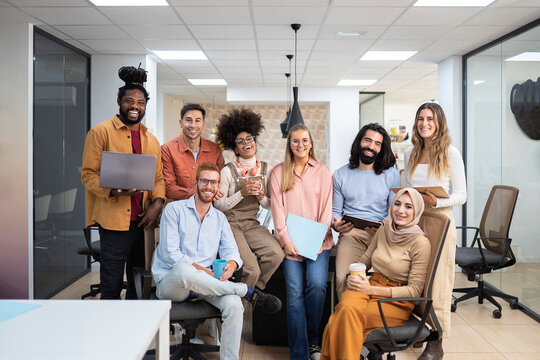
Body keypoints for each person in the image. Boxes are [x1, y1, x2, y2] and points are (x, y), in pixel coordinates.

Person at [152, 162, 282, 360]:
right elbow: (172, 254)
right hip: (173, 283)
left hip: (205, 285)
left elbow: (233, 253)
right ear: (196, 183)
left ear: (219, 187)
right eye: (204, 181)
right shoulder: (174, 210)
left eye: (214, 182)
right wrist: (206, 273)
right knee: (183, 270)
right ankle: (245, 291)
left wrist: (231, 265)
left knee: (235, 306)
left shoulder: (220, 218)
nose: (209, 186)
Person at [81, 65, 165, 300]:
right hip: (114, 222)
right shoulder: (100, 132)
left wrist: (157, 204)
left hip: (144, 221)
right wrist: (113, 190)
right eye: (129, 101)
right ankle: (109, 333)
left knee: (140, 285)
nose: (135, 106)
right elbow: (87, 175)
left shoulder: (151, 139)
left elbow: (158, 178)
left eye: (140, 102)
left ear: (145, 105)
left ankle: (135, 331)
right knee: (112, 283)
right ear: (119, 101)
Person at [321, 188, 431, 360]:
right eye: (398, 204)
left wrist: (370, 290)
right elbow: (366, 260)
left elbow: (415, 290)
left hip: (395, 299)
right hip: (370, 284)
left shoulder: (421, 243)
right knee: (343, 313)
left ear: (417, 211)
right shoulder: (384, 230)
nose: (401, 210)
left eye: (409, 207)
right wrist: (353, 273)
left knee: (340, 320)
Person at [404, 102, 466, 360]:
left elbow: (462, 195)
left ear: (439, 122)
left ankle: (436, 341)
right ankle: (419, 330)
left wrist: (436, 201)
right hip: (415, 221)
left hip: (440, 220)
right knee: (416, 278)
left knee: (438, 283)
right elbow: (406, 188)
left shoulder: (451, 153)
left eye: (430, 118)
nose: (424, 123)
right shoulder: (410, 151)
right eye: (420, 118)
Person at [269, 124, 334, 360]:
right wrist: (285, 241)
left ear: (311, 143)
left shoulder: (323, 172)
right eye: (295, 141)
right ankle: (299, 354)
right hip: (290, 246)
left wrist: (316, 239)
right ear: (289, 144)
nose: (301, 145)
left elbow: (327, 209)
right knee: (295, 294)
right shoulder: (278, 173)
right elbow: (277, 211)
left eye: (305, 140)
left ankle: (314, 341)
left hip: (319, 242)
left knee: (317, 286)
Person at [213, 108, 284, 290]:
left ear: (255, 142)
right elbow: (219, 206)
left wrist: (261, 196)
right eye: (240, 141)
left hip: (252, 223)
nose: (246, 143)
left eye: (250, 138)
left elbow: (270, 206)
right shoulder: (227, 170)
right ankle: (241, 306)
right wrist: (241, 193)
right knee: (251, 269)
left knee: (276, 254)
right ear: (235, 147)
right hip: (230, 224)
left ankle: (253, 291)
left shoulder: (267, 169)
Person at [332, 123, 401, 298]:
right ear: (359, 142)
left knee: (381, 282)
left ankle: (372, 321)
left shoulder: (391, 175)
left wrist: (383, 224)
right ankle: (346, 320)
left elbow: (394, 211)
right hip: (351, 234)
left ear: (382, 148)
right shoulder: (340, 175)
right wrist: (336, 224)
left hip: (381, 235)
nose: (371, 146)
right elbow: (336, 211)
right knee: (343, 278)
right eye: (368, 140)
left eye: (377, 143)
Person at [161, 103, 225, 200]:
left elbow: (221, 183)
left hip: (209, 210)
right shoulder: (167, 149)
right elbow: (169, 188)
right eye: (188, 120)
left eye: (197, 121)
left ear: (203, 124)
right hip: (180, 210)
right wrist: (201, 192)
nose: (193, 125)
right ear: (181, 123)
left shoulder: (214, 150)